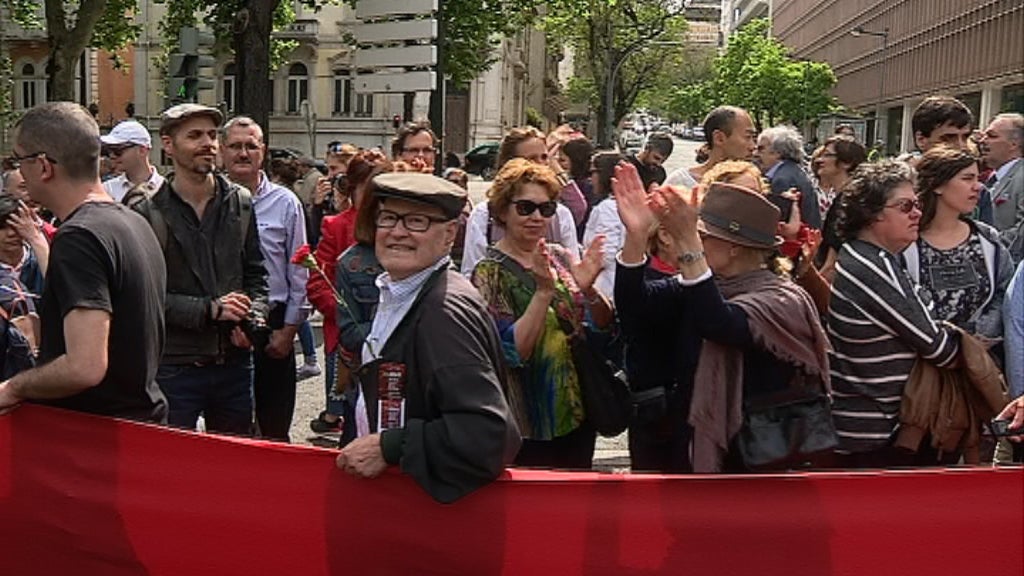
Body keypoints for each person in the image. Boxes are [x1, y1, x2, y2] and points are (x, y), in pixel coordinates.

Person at [614, 163, 831, 473]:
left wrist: (688, 245)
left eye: (704, 236)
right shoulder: (703, 283)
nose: (697, 242)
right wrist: (635, 237)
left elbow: (719, 323)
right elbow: (635, 308)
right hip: (697, 449)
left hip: (757, 461)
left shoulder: (781, 298)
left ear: (733, 248)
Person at [336, 172, 520, 504]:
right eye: (388, 217)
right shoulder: (403, 291)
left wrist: (391, 446)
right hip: (398, 500)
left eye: (417, 221)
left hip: (425, 513)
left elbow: (488, 435)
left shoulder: (443, 314)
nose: (397, 232)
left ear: (450, 233)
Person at [0, 102, 167, 422]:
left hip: (96, 439)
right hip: (141, 426)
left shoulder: (79, 237)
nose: (19, 172)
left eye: (20, 161)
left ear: (43, 166)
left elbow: (84, 366)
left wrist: (13, 387)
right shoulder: (132, 222)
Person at [134, 103, 269, 436]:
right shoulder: (146, 210)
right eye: (194, 136)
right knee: (173, 469)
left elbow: (257, 277)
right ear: (168, 144)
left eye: (211, 135)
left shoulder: (240, 201)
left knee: (234, 469)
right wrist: (210, 310)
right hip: (174, 367)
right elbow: (142, 298)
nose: (207, 143)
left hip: (233, 365)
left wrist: (253, 321)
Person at [471, 159, 610, 469]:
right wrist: (543, 292)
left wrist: (589, 291)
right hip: (529, 421)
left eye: (546, 209)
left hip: (576, 411)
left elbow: (601, 327)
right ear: (502, 211)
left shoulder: (559, 255)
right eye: (525, 208)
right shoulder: (489, 273)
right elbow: (511, 351)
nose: (536, 217)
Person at [827, 160, 963, 466]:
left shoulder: (862, 255)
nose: (917, 213)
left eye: (917, 204)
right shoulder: (873, 266)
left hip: (870, 429)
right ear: (872, 213)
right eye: (905, 207)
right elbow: (939, 347)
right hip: (879, 437)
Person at [222, 116, 309, 442]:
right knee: (229, 428)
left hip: (274, 326)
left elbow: (300, 271)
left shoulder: (286, 203)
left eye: (250, 146)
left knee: (274, 427)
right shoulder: (210, 200)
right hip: (225, 323)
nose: (243, 153)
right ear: (222, 151)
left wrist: (288, 331)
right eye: (235, 146)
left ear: (263, 151)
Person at [308, 150, 391, 434]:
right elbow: (317, 283)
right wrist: (348, 313)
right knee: (351, 411)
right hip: (349, 337)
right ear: (353, 188)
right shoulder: (337, 225)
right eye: (369, 185)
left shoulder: (396, 225)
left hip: (391, 339)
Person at [902, 146, 1013, 341]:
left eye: (977, 178)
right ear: (937, 185)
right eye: (967, 178)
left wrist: (981, 335)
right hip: (924, 357)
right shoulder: (906, 242)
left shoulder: (987, 239)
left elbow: (1004, 292)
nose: (978, 186)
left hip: (981, 358)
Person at [461, 127, 581, 275]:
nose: (539, 165)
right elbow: (471, 274)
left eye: (544, 158)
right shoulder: (483, 215)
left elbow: (574, 276)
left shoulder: (561, 215)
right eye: (525, 208)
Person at [664, 106, 757, 189]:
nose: (753, 147)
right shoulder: (680, 184)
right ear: (719, 138)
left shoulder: (753, 184)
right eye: (747, 137)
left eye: (754, 138)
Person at [813, 136, 867, 279]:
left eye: (827, 155)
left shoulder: (846, 204)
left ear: (847, 163)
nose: (819, 160)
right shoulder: (852, 198)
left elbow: (831, 267)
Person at [756, 125, 822, 230]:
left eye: (761, 149)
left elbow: (780, 226)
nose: (756, 154)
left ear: (778, 152)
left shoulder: (782, 180)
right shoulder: (795, 171)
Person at [977, 113, 1024, 261]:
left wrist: (983, 244)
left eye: (992, 136)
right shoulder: (990, 180)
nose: (983, 141)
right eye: (983, 136)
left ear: (1014, 144)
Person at [100, 119, 164, 203]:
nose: (112, 155)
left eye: (118, 150)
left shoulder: (164, 189)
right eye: (110, 150)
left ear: (142, 150)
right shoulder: (107, 190)